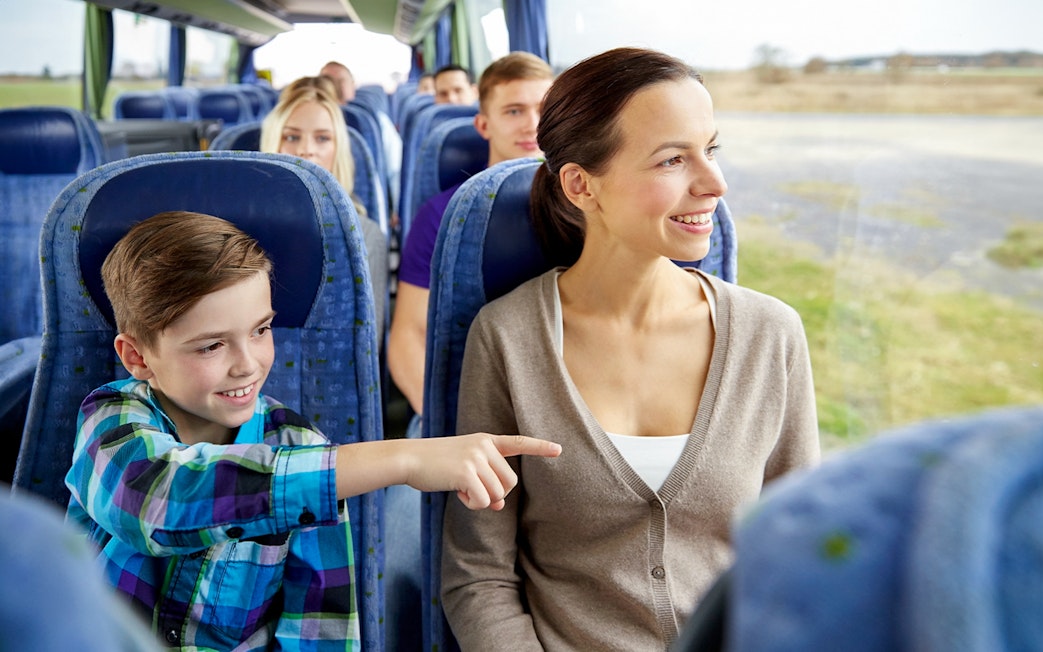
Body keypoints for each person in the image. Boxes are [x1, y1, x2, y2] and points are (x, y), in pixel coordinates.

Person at [440, 47, 821, 650]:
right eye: (672, 159)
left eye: (711, 150)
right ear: (580, 185)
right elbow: (478, 574)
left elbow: (802, 555)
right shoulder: (508, 339)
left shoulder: (770, 335)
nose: (715, 183)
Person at [64, 211, 561, 651]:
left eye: (261, 331)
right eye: (211, 346)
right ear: (137, 356)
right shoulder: (110, 421)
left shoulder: (303, 450)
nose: (247, 365)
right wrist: (403, 459)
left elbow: (318, 629)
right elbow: (161, 500)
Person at [388, 51, 554, 423]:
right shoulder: (442, 215)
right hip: (457, 408)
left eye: (544, 110)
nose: (533, 125)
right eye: (514, 111)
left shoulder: (592, 208)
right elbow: (408, 340)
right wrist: (445, 427)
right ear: (483, 124)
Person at [260, 76, 389, 333]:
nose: (306, 150)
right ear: (272, 144)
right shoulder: (237, 227)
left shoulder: (364, 236)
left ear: (337, 150)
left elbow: (366, 345)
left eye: (322, 139)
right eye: (292, 137)